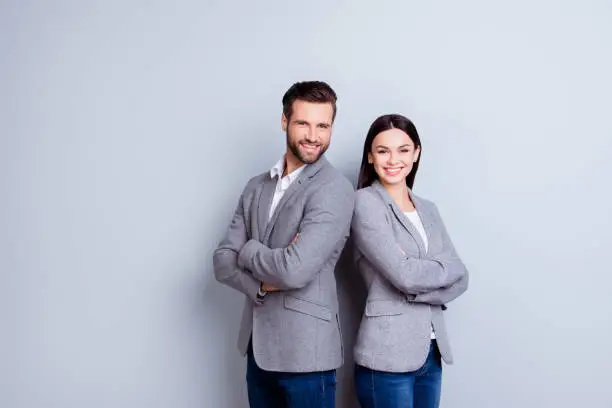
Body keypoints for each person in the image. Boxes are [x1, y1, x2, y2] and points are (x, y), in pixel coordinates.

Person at [213, 81, 354, 408]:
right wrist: (258, 285)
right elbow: (222, 261)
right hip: (258, 350)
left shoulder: (333, 189)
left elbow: (294, 270)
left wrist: (247, 250)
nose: (313, 136)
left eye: (323, 126)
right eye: (303, 123)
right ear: (284, 121)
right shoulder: (255, 187)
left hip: (308, 355)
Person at [350, 114, 469, 408]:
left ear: (416, 153)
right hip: (386, 355)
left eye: (403, 149)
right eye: (382, 150)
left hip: (431, 350)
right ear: (370, 156)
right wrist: (434, 271)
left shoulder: (429, 209)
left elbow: (461, 275)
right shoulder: (364, 203)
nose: (393, 160)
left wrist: (416, 277)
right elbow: (404, 275)